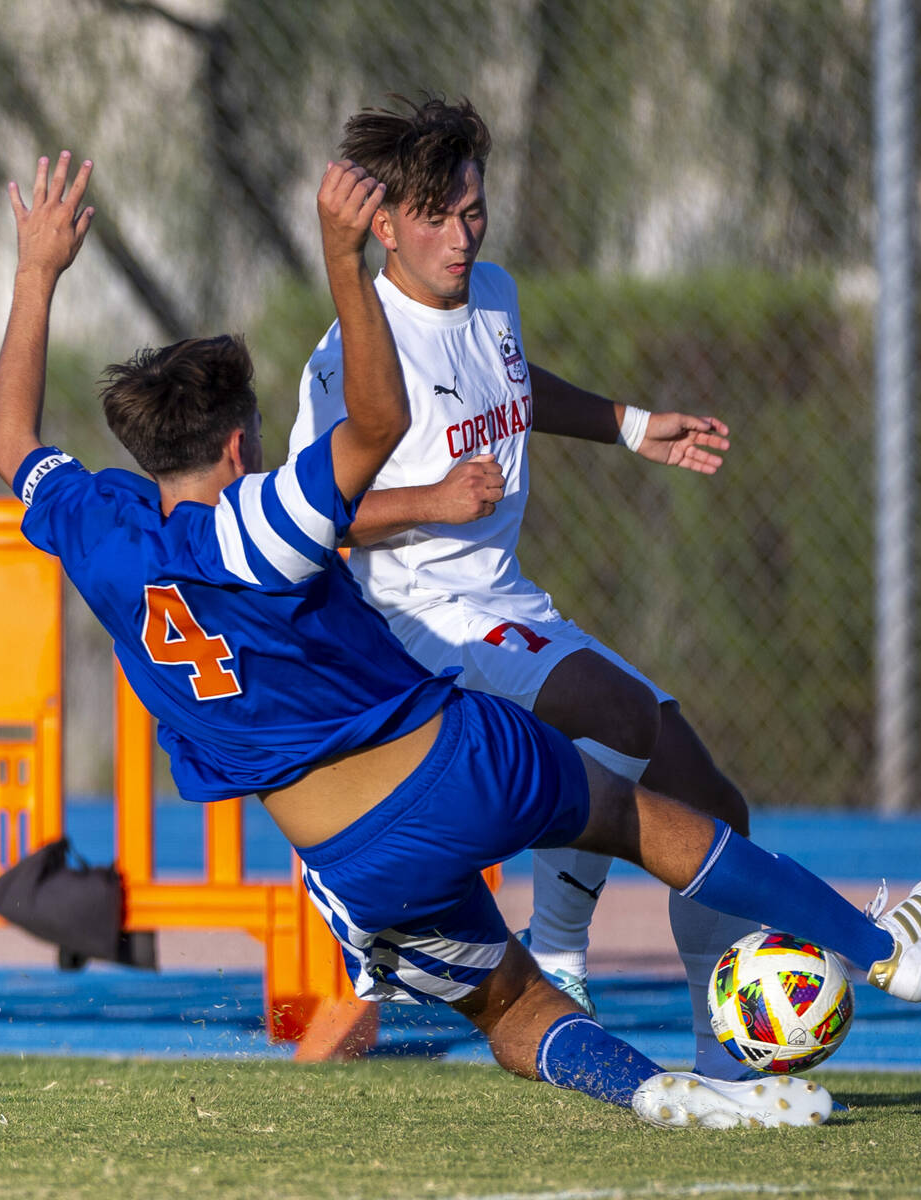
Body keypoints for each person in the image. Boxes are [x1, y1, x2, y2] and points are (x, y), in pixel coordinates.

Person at [0, 149, 921, 1132]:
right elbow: (378, 421)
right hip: (453, 766)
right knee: (639, 816)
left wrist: (33, 276)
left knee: (508, 1006)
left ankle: (663, 1093)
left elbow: (10, 444)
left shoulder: (100, 532)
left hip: (351, 862)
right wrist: (338, 254)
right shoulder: (257, 523)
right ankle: (876, 948)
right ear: (240, 445)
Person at [288, 94, 753, 1075]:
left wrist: (629, 425)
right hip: (417, 619)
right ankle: (556, 955)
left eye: (472, 211)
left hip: (505, 601)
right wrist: (430, 502)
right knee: (616, 712)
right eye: (436, 218)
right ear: (382, 227)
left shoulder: (490, 291)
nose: (461, 236)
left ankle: (726, 1059)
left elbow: (505, 378)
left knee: (711, 806)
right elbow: (311, 518)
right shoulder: (350, 352)